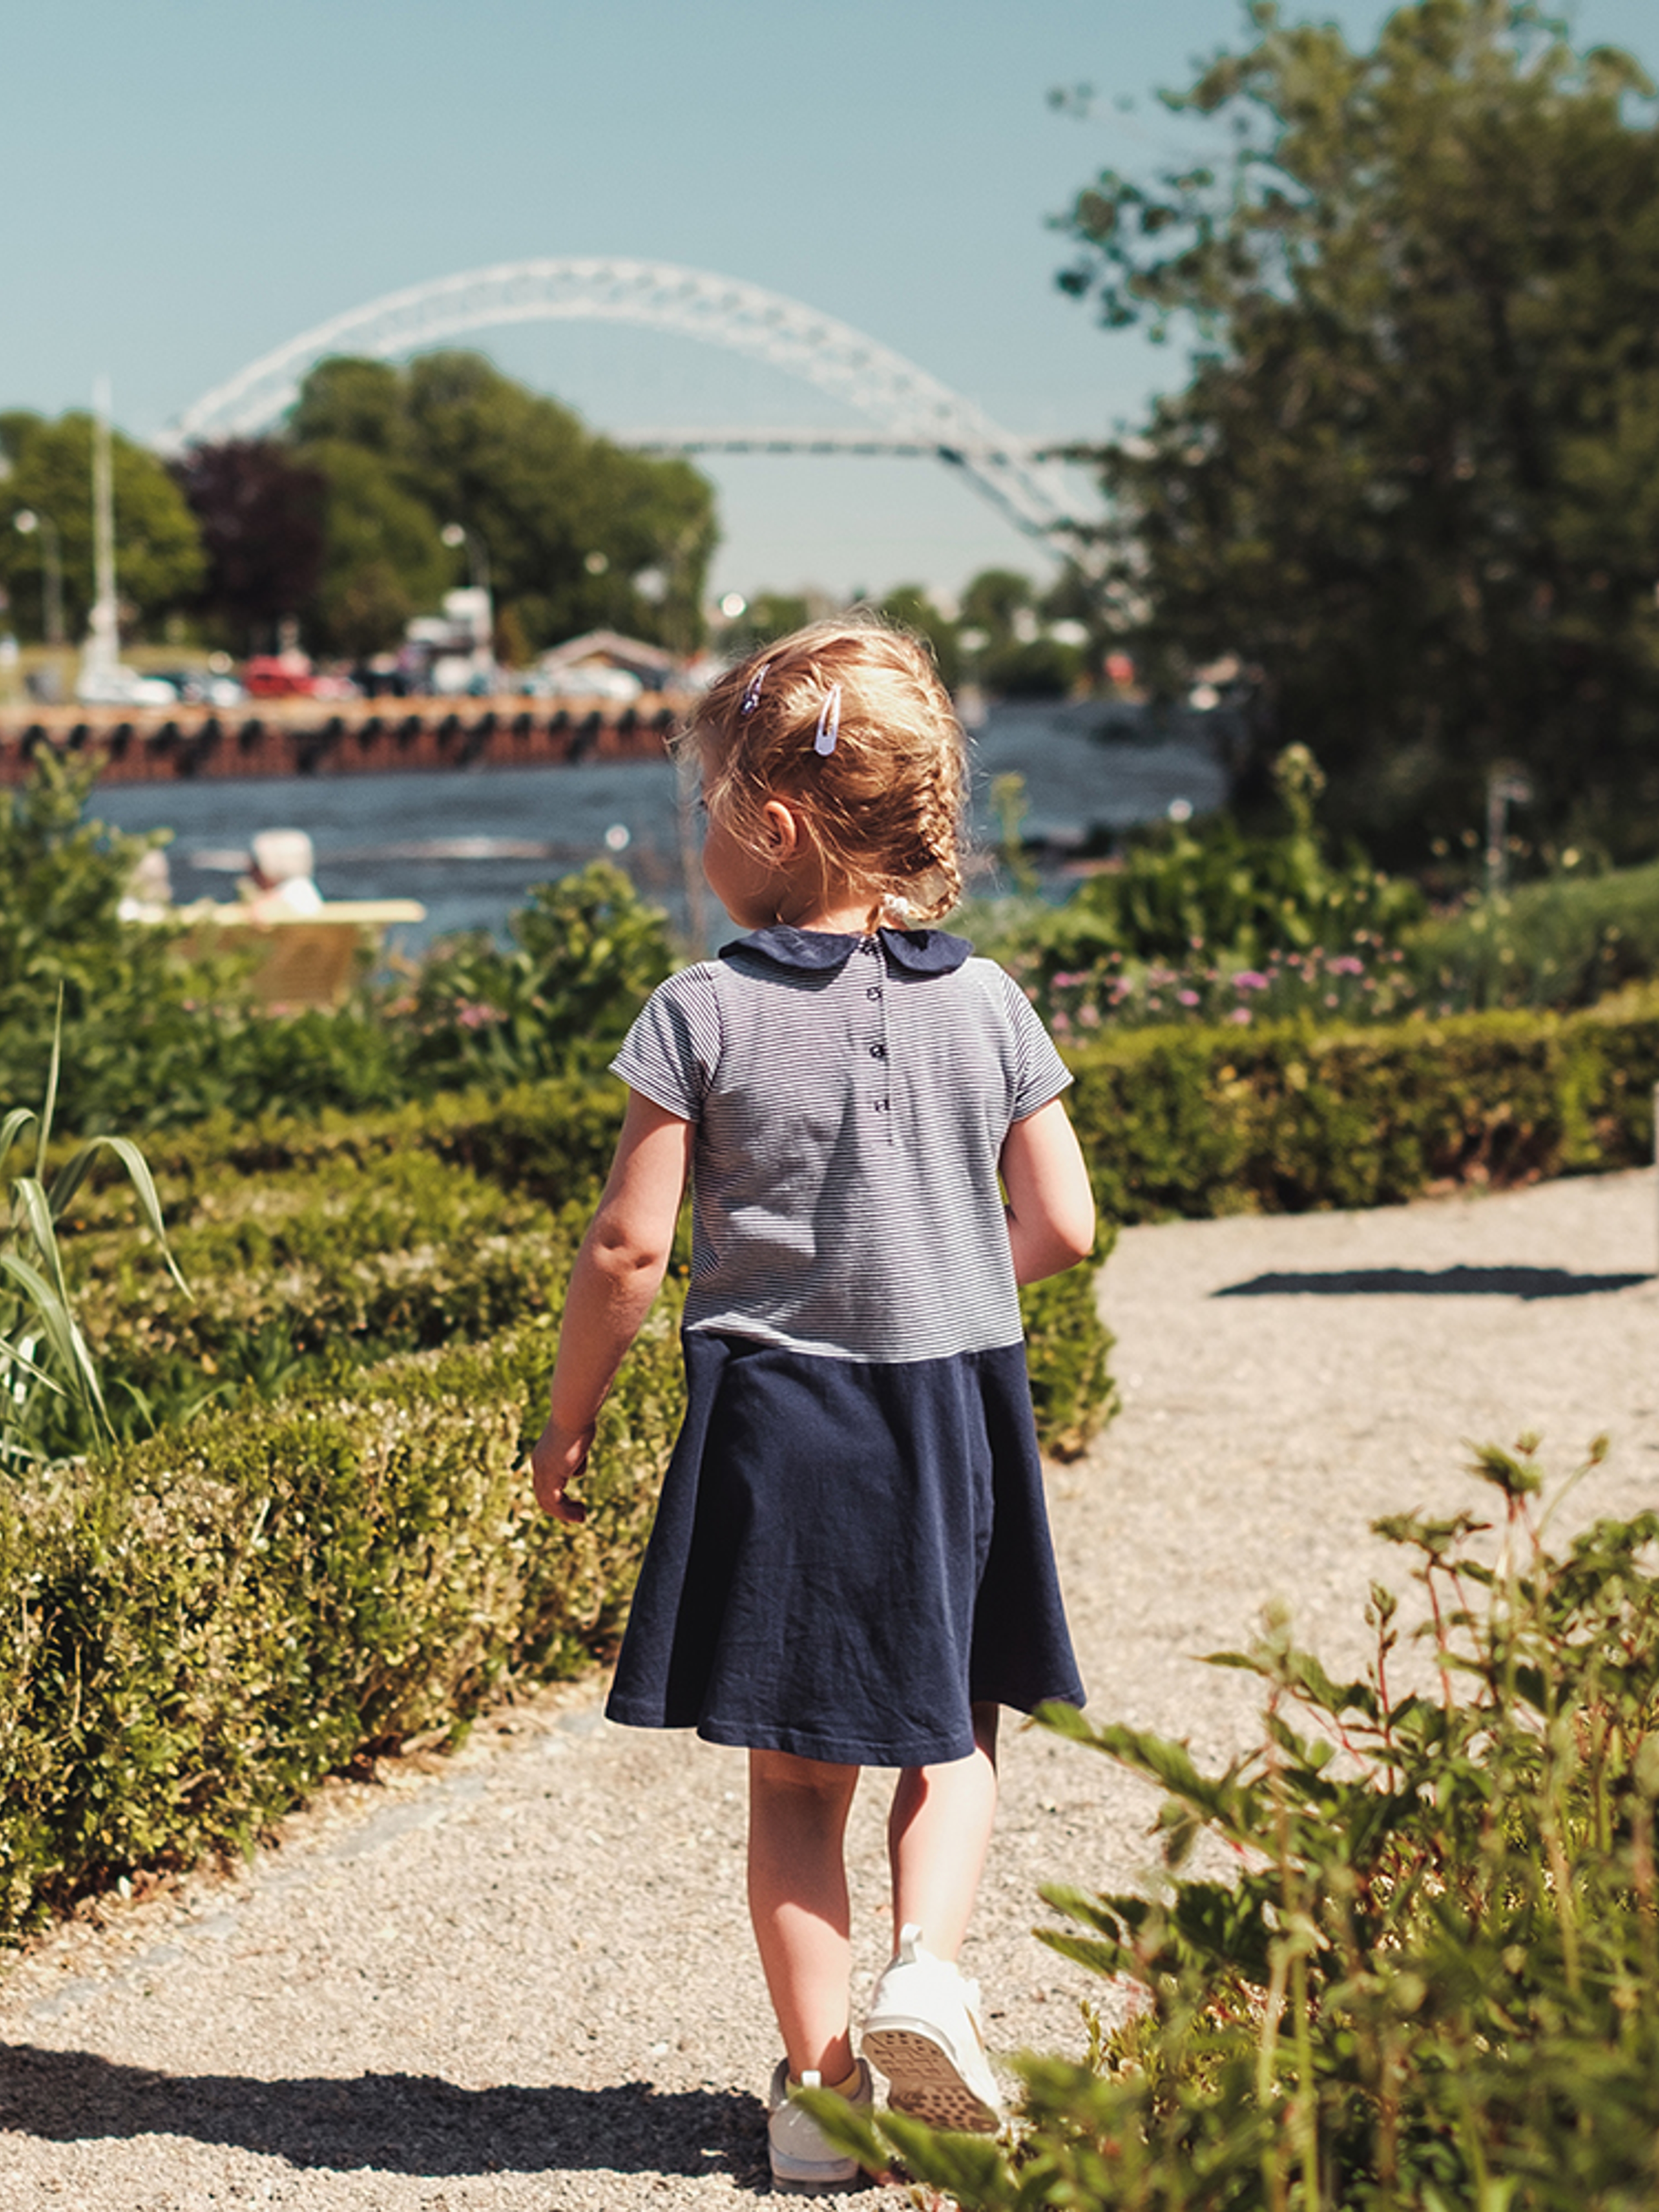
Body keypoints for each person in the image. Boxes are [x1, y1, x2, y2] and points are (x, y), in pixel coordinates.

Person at [531, 617, 1094, 2193]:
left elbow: (630, 1248)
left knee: (794, 1780)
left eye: (707, 808)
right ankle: (928, 1969)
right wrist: (935, 1278)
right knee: (952, 1729)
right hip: (949, 1412)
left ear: (771, 827)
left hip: (781, 1420)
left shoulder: (696, 1011)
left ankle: (821, 2097)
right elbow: (1066, 1226)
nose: (699, 839)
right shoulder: (990, 1002)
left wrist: (567, 1419)